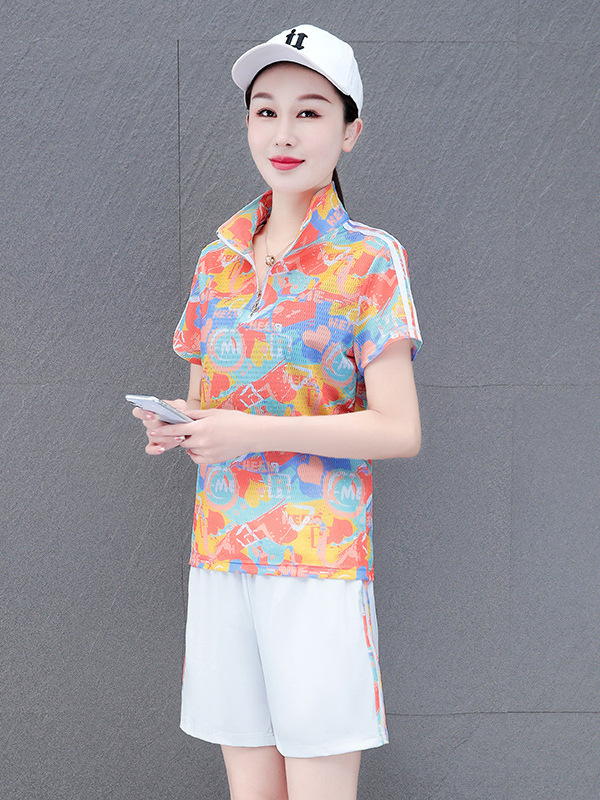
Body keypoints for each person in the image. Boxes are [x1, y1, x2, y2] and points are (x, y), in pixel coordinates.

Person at [132, 23, 423, 800]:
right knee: (251, 790)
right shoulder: (218, 260)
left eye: (309, 112)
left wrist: (248, 432)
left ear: (350, 131)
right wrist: (180, 424)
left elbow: (399, 429)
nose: (283, 133)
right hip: (221, 556)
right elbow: (207, 403)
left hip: (316, 563)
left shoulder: (370, 258)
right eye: (266, 111)